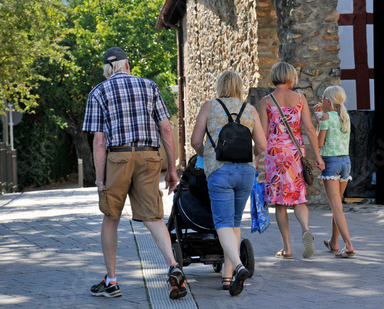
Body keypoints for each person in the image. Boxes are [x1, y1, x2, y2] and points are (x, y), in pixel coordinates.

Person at [82, 47, 187, 299]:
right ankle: (173, 266)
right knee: (153, 217)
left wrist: (99, 179)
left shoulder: (98, 91)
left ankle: (112, 281)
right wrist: (171, 168)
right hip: (149, 156)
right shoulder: (149, 86)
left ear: (108, 70)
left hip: (117, 158)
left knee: (111, 216)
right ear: (127, 65)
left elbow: (99, 141)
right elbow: (166, 129)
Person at [191, 70, 266, 296]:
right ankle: (227, 274)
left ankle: (239, 267)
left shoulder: (209, 107)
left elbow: (195, 141)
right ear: (239, 87)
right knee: (234, 220)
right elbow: (261, 146)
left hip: (219, 171)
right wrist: (250, 156)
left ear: (219, 86)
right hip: (245, 172)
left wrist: (209, 155)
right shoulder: (250, 110)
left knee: (222, 221)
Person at [258, 62, 325, 260]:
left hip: (275, 155)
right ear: (290, 77)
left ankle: (287, 248)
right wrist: (318, 157)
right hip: (294, 154)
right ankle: (305, 229)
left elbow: (262, 133)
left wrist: (256, 158)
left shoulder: (266, 101)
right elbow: (309, 129)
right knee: (298, 198)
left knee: (280, 203)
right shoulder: (300, 98)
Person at [315, 85, 355, 258]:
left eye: (323, 97)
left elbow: (319, 143)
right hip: (345, 162)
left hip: (331, 162)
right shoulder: (344, 117)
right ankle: (334, 242)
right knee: (337, 205)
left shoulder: (325, 116)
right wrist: (320, 120)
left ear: (328, 101)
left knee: (337, 207)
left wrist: (318, 123)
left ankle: (348, 244)